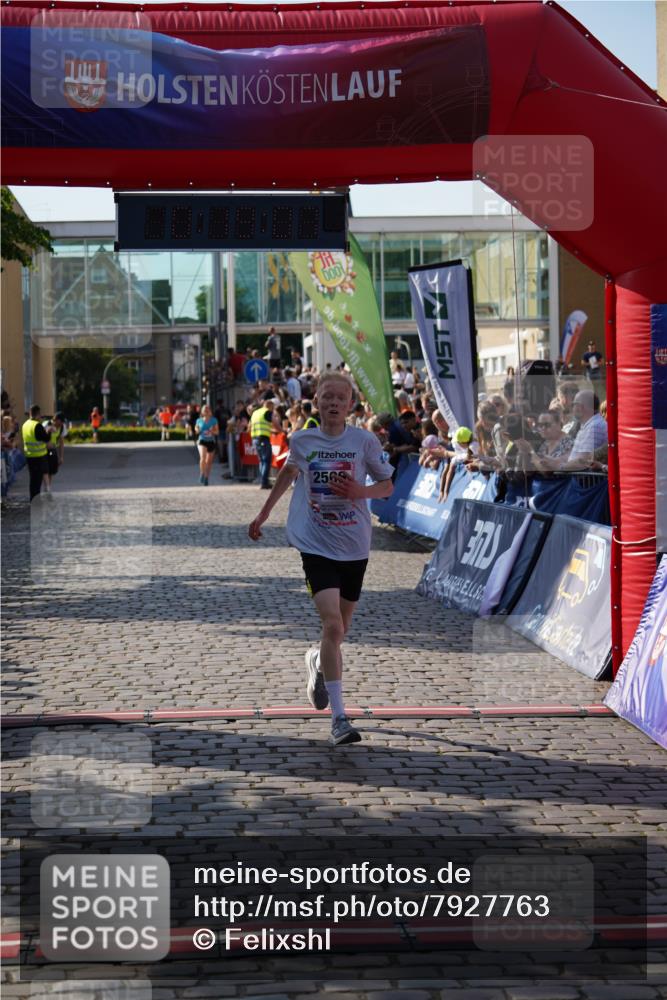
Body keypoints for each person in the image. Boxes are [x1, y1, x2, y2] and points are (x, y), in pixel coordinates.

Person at [248, 372, 394, 746]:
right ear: (316, 402)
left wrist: (360, 490)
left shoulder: (364, 441)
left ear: (350, 405)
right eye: (326, 396)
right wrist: (264, 513)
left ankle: (316, 661)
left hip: (355, 544)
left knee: (339, 630)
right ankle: (340, 718)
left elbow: (388, 485)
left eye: (340, 398)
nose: (333, 403)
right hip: (315, 542)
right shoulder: (302, 440)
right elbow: (287, 473)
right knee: (332, 625)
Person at [22, 404, 51, 501]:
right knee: (37, 482)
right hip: (38, 457)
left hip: (29, 456)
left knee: (32, 480)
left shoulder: (25, 424)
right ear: (38, 414)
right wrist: (49, 431)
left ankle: (33, 499)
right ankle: (35, 501)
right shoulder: (37, 425)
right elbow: (46, 438)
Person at [250, 391, 276, 489]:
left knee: (261, 461)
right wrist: (280, 430)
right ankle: (264, 482)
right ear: (270, 406)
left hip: (255, 439)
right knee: (266, 460)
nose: (273, 410)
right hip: (263, 439)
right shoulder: (267, 412)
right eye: (273, 408)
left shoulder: (255, 412)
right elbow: (276, 424)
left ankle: (263, 480)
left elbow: (250, 426)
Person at [195, 404, 219, 485]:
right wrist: (197, 429)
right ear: (202, 412)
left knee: (209, 462)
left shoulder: (214, 420)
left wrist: (212, 431)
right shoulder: (199, 420)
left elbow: (217, 432)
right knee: (202, 457)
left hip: (211, 441)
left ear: (210, 411)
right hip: (202, 440)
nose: (206, 410)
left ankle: (206, 477)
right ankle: (202, 473)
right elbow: (196, 429)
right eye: (204, 409)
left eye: (208, 409)